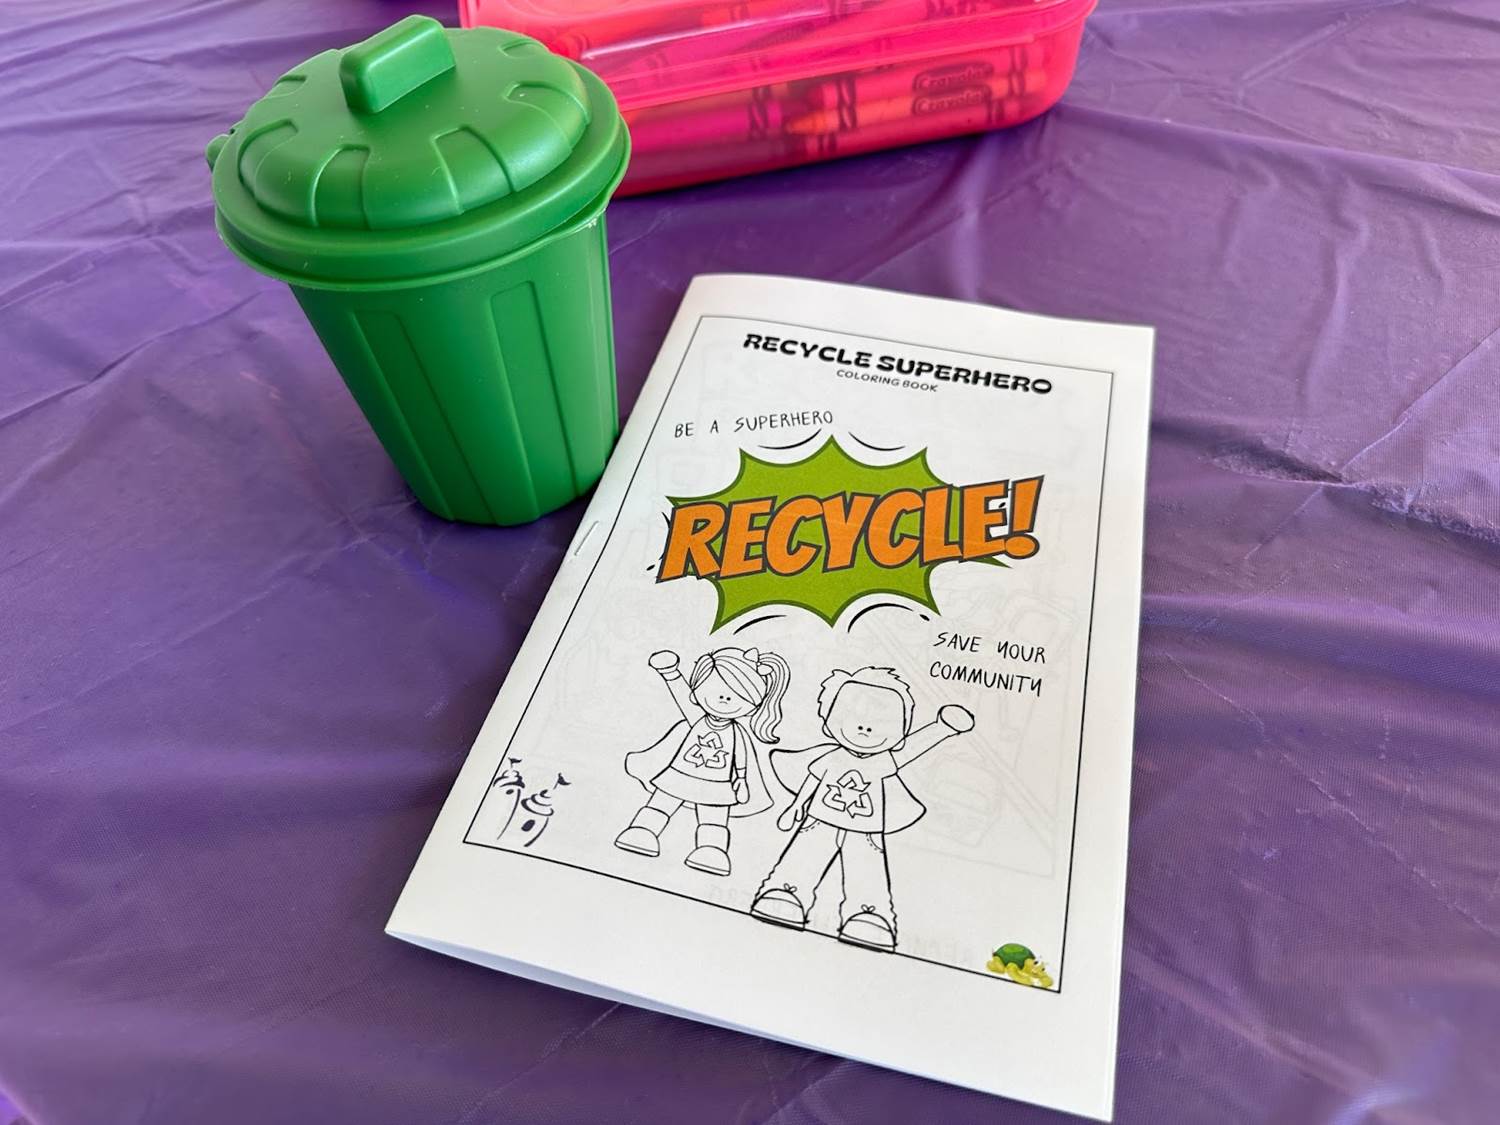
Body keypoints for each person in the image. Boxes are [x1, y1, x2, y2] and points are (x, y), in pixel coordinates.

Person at [750, 666, 975, 952]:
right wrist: (796, 805)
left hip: (866, 829)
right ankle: (785, 892)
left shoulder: (883, 762)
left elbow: (913, 748)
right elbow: (813, 779)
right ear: (830, 718)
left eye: (883, 722)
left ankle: (868, 913)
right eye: (852, 715)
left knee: (867, 865)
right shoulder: (832, 756)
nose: (865, 728)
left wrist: (944, 728)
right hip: (819, 819)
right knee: (805, 852)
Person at [615, 646, 790, 876]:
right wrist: (670, 672)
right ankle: (643, 831)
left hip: (718, 784)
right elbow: (681, 696)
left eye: (739, 694)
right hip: (680, 774)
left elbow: (741, 758)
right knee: (661, 803)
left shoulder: (737, 732)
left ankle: (712, 850)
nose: (725, 698)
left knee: (714, 817)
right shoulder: (697, 717)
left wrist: (741, 779)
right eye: (718, 688)